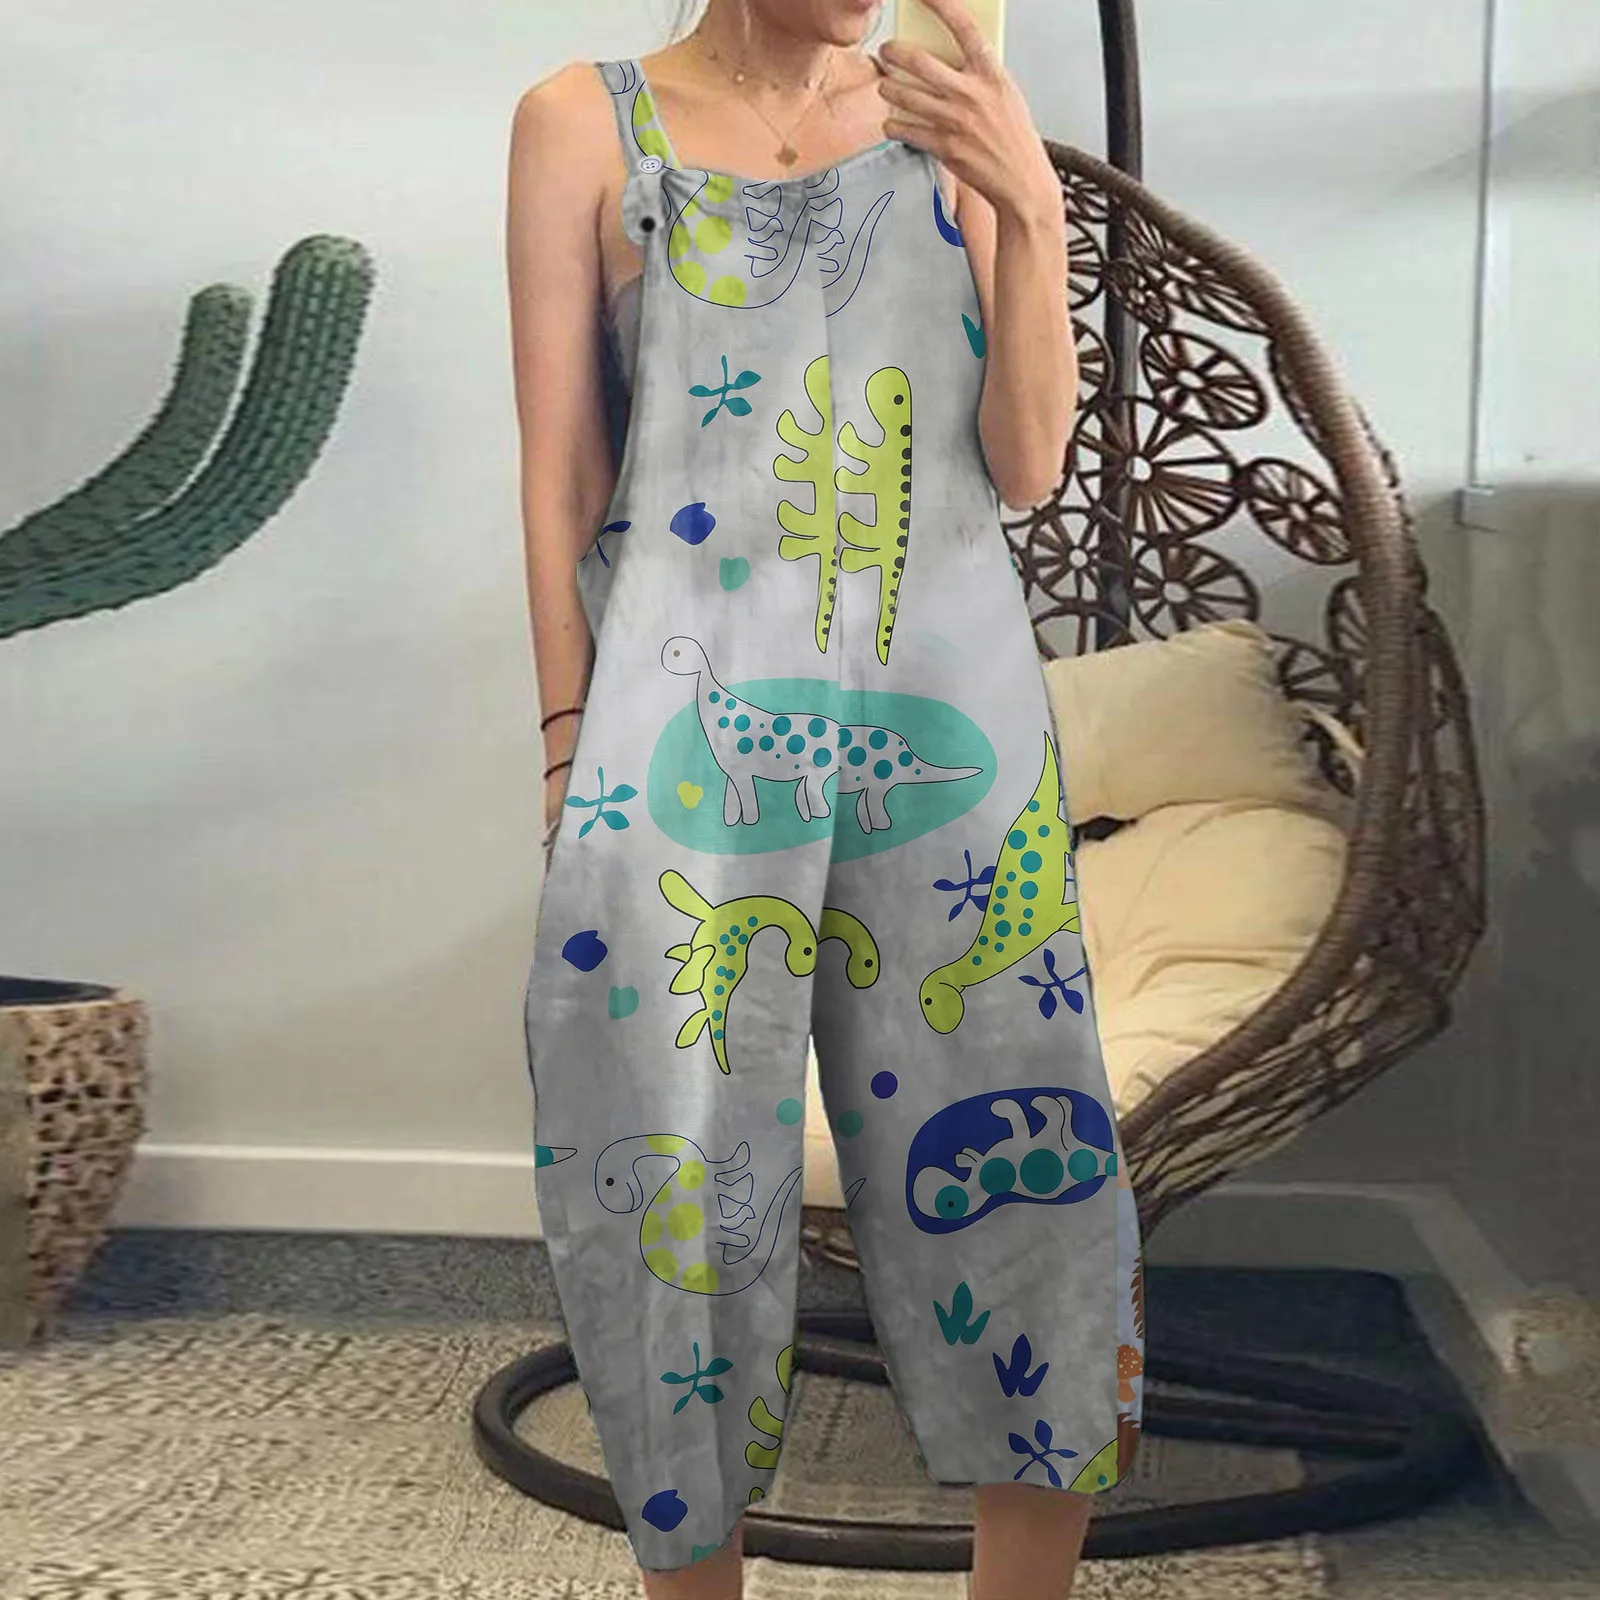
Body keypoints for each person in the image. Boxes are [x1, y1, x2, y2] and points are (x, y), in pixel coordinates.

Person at [505, 0, 1145, 1594]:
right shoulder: (583, 122)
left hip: (952, 710)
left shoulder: (955, 115)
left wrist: (1030, 200)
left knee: (1028, 1162)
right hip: (678, 714)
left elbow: (1028, 463)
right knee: (663, 1155)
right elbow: (563, 473)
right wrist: (566, 744)